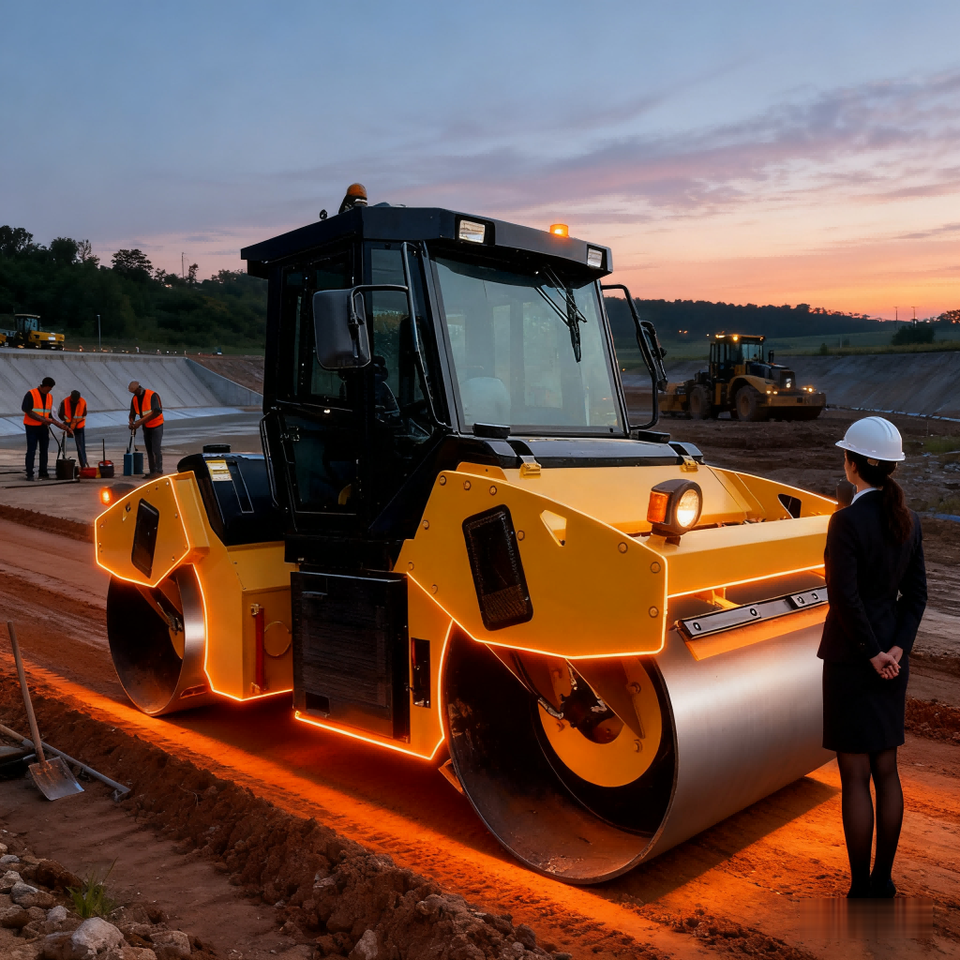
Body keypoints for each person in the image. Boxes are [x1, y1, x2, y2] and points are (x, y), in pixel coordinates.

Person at [817, 416, 926, 899]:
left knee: (855, 776)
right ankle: (883, 881)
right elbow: (916, 596)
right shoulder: (909, 519)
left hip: (852, 660)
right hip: (892, 663)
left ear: (853, 464)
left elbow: (844, 598)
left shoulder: (845, 521)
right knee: (887, 769)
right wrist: (896, 649)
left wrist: (872, 654)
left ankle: (861, 886)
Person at [22, 376, 67, 481]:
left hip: (43, 427)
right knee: (31, 450)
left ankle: (43, 472)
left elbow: (48, 413)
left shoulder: (49, 397)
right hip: (31, 427)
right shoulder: (31, 394)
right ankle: (30, 473)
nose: (50, 390)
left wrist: (55, 422)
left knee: (44, 450)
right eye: (50, 388)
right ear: (45, 386)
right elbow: (27, 410)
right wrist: (42, 419)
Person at [128, 380, 164, 478]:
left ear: (139, 388)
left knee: (156, 449)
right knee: (149, 450)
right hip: (146, 426)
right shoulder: (135, 399)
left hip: (156, 425)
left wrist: (140, 422)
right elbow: (132, 413)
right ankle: (152, 471)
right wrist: (131, 422)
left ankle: (158, 471)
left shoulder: (152, 395)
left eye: (135, 392)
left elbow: (157, 412)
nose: (134, 394)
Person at [59, 389, 89, 469]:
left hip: (79, 426)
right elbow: (61, 415)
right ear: (71, 397)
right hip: (68, 426)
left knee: (81, 447)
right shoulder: (65, 402)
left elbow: (84, 414)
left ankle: (83, 465)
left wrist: (74, 423)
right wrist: (68, 421)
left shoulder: (82, 402)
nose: (75, 401)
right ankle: (63, 464)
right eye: (74, 400)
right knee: (64, 447)